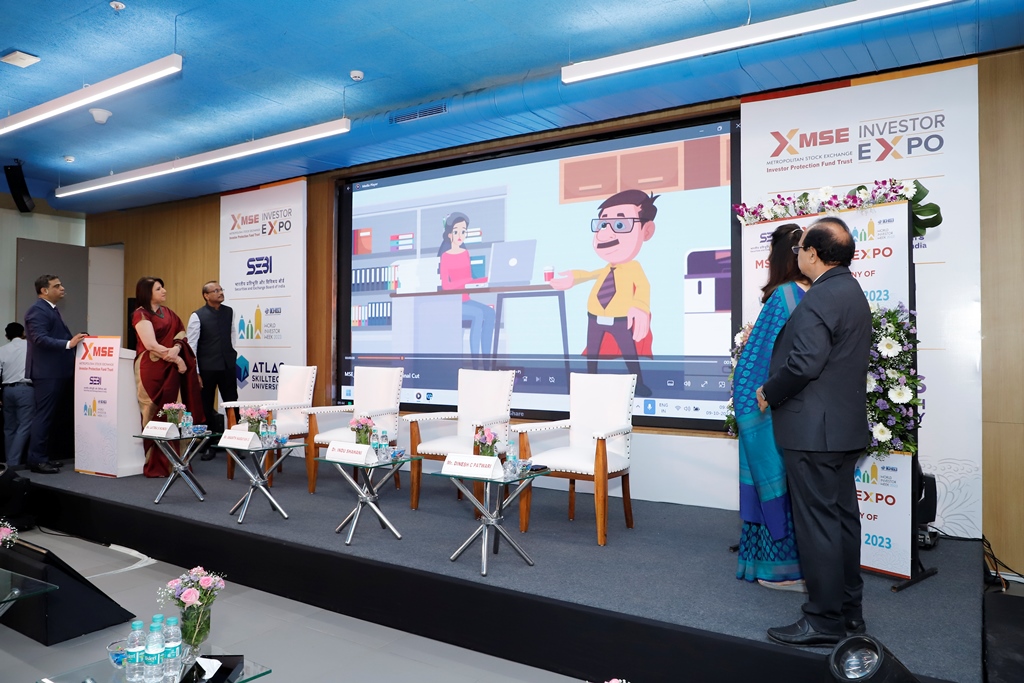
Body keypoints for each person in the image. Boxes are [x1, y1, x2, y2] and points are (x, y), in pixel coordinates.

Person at [757, 216, 872, 646]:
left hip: (812, 433)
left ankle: (824, 620)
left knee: (818, 526)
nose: (797, 254)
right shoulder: (851, 291)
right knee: (842, 521)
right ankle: (849, 612)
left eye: (800, 248)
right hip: (842, 431)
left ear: (814, 254)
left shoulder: (820, 297)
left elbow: (804, 364)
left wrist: (769, 390)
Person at [733, 224, 810, 590]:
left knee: (778, 486)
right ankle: (800, 569)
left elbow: (756, 364)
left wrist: (752, 401)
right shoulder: (814, 292)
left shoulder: (787, 295)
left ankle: (781, 569)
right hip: (800, 411)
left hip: (780, 411)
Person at [549, 189, 656, 397]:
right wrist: (573, 278)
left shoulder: (633, 268)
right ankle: (590, 380)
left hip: (620, 320)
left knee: (629, 353)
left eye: (620, 225)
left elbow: (644, 286)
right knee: (593, 352)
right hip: (594, 317)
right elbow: (591, 274)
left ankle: (638, 383)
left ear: (646, 231)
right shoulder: (607, 268)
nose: (605, 233)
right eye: (602, 224)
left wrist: (640, 307)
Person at [132, 276, 205, 478]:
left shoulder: (169, 313)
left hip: (170, 368)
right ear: (147, 292)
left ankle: (177, 462)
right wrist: (177, 359)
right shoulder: (141, 314)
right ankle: (156, 464)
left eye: (162, 287)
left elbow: (181, 336)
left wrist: (177, 349)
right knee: (153, 412)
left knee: (175, 412)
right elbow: (151, 345)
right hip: (151, 370)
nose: (164, 291)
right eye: (158, 288)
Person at [24, 275, 86, 474]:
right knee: (43, 416)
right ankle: (37, 460)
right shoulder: (37, 310)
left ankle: (43, 457)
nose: (62, 288)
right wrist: (68, 343)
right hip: (47, 373)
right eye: (57, 286)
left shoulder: (50, 309)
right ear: (44, 290)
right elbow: (39, 338)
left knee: (50, 417)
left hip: (56, 372)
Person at [186, 281, 237, 460]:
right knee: (206, 406)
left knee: (232, 403)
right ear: (206, 296)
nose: (220, 292)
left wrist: (232, 354)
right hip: (206, 368)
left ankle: (236, 442)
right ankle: (208, 444)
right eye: (215, 291)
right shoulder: (197, 316)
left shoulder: (229, 311)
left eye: (221, 289)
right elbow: (191, 345)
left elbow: (232, 335)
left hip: (227, 366)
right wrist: (196, 372)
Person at [438, 212, 495, 365]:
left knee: (490, 313)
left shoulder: (465, 253)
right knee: (478, 314)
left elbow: (470, 281)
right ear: (449, 234)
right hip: (452, 304)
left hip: (466, 300)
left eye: (463, 231)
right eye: (456, 231)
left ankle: (487, 361)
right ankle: (475, 363)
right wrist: (465, 282)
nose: (460, 235)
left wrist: (489, 278)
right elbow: (446, 286)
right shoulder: (445, 256)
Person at [0, 323, 34, 467]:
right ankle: (13, 462)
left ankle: (9, 462)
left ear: (6, 336)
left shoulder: (2, 350)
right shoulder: (30, 346)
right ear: (23, 333)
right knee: (24, 425)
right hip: (25, 389)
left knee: (9, 428)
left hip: (7, 390)